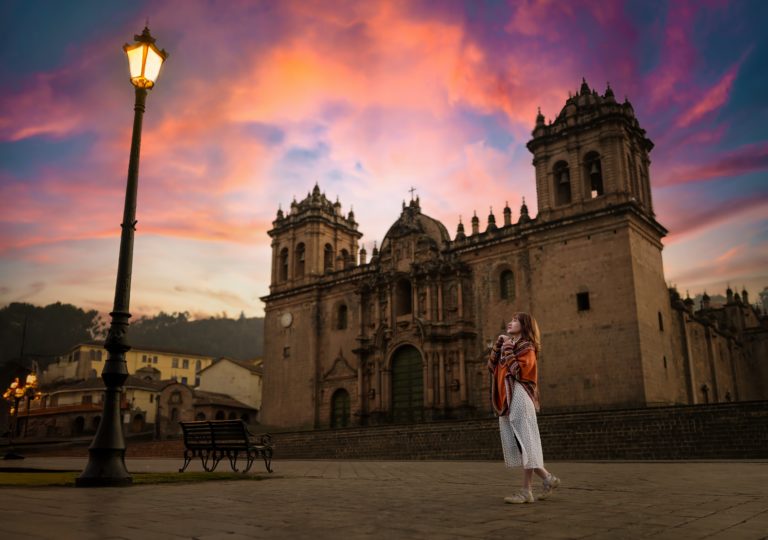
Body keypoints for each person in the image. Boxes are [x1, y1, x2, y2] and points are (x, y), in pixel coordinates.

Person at [487, 312, 561, 503]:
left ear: (524, 325)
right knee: (523, 444)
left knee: (525, 443)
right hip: (509, 400)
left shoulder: (527, 347)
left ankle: (526, 491)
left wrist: (509, 347)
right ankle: (548, 479)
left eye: (515, 321)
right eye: (510, 319)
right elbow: (491, 368)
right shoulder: (511, 346)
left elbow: (517, 372)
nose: (510, 323)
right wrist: (499, 345)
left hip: (520, 397)